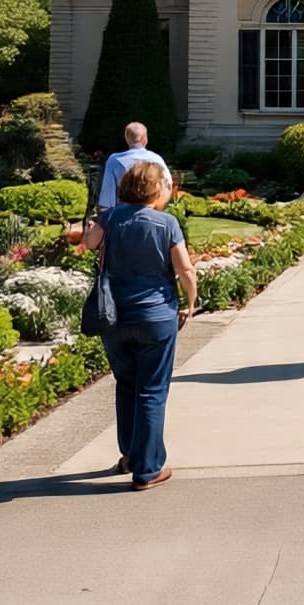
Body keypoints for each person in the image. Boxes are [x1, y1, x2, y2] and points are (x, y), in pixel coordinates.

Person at [83, 160, 196, 490]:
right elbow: (184, 270)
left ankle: (131, 455)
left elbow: (90, 243)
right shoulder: (166, 223)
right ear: (157, 189)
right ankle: (147, 469)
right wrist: (190, 302)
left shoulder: (112, 217)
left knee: (126, 385)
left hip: (114, 316)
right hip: (156, 316)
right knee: (152, 392)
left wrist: (96, 223)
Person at [97, 122, 173, 210]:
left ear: (127, 138)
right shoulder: (156, 159)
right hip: (151, 209)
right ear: (144, 138)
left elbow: (107, 193)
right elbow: (168, 186)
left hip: (123, 211)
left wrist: (105, 215)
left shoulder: (115, 160)